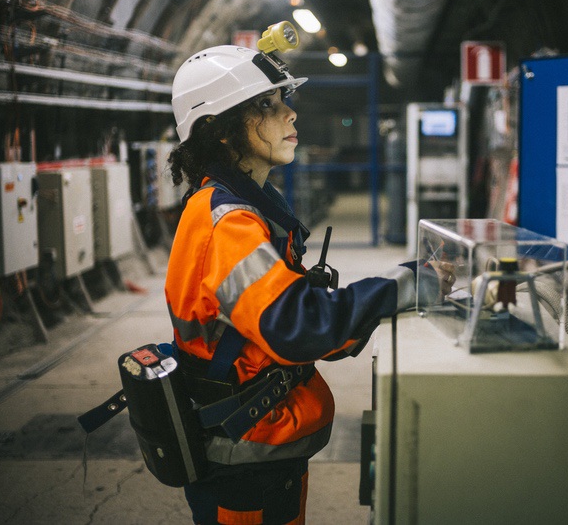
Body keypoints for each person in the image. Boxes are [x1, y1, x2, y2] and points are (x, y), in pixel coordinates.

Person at [165, 37, 443, 524]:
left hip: (259, 442)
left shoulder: (240, 208)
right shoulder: (230, 224)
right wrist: (407, 284)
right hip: (243, 454)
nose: (290, 114)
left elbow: (295, 324)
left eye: (284, 100)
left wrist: (345, 317)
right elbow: (298, 329)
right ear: (221, 132)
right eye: (266, 105)